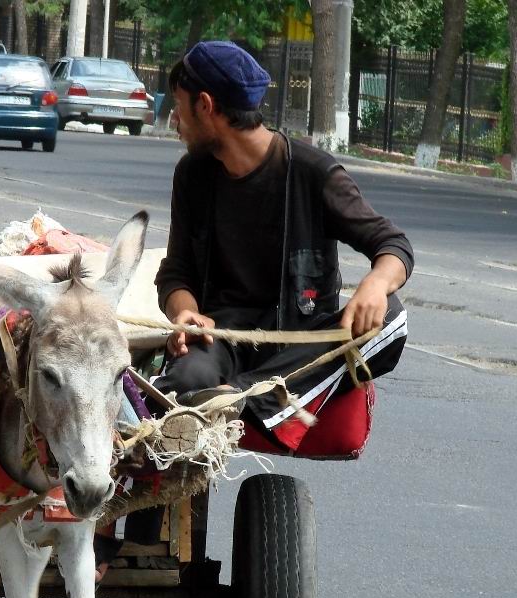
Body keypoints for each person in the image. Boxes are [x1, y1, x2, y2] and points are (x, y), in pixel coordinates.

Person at [152, 40, 412, 449]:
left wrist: (377, 284)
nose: (175, 121)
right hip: (222, 340)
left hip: (299, 349)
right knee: (175, 392)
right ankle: (247, 403)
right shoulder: (193, 174)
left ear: (205, 105)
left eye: (179, 106)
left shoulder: (314, 173)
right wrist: (185, 311)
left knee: (392, 319)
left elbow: (393, 245)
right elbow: (176, 270)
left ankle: (246, 398)